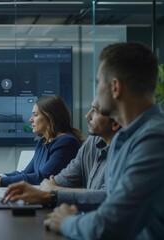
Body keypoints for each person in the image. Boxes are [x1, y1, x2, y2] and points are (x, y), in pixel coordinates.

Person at [43, 42, 164, 239]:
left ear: (115, 87)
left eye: (98, 82)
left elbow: (110, 224)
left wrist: (66, 221)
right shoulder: (123, 138)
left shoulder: (154, 140)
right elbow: (109, 198)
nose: (96, 91)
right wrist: (53, 195)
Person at [2, 97, 120, 209]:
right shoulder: (91, 141)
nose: (87, 116)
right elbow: (57, 180)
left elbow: (107, 197)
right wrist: (0, 177)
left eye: (95, 111)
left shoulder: (67, 141)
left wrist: (52, 192)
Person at [0, 95, 84, 187]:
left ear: (50, 117)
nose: (30, 119)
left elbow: (42, 177)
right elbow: (26, 173)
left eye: (35, 115)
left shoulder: (67, 142)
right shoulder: (43, 142)